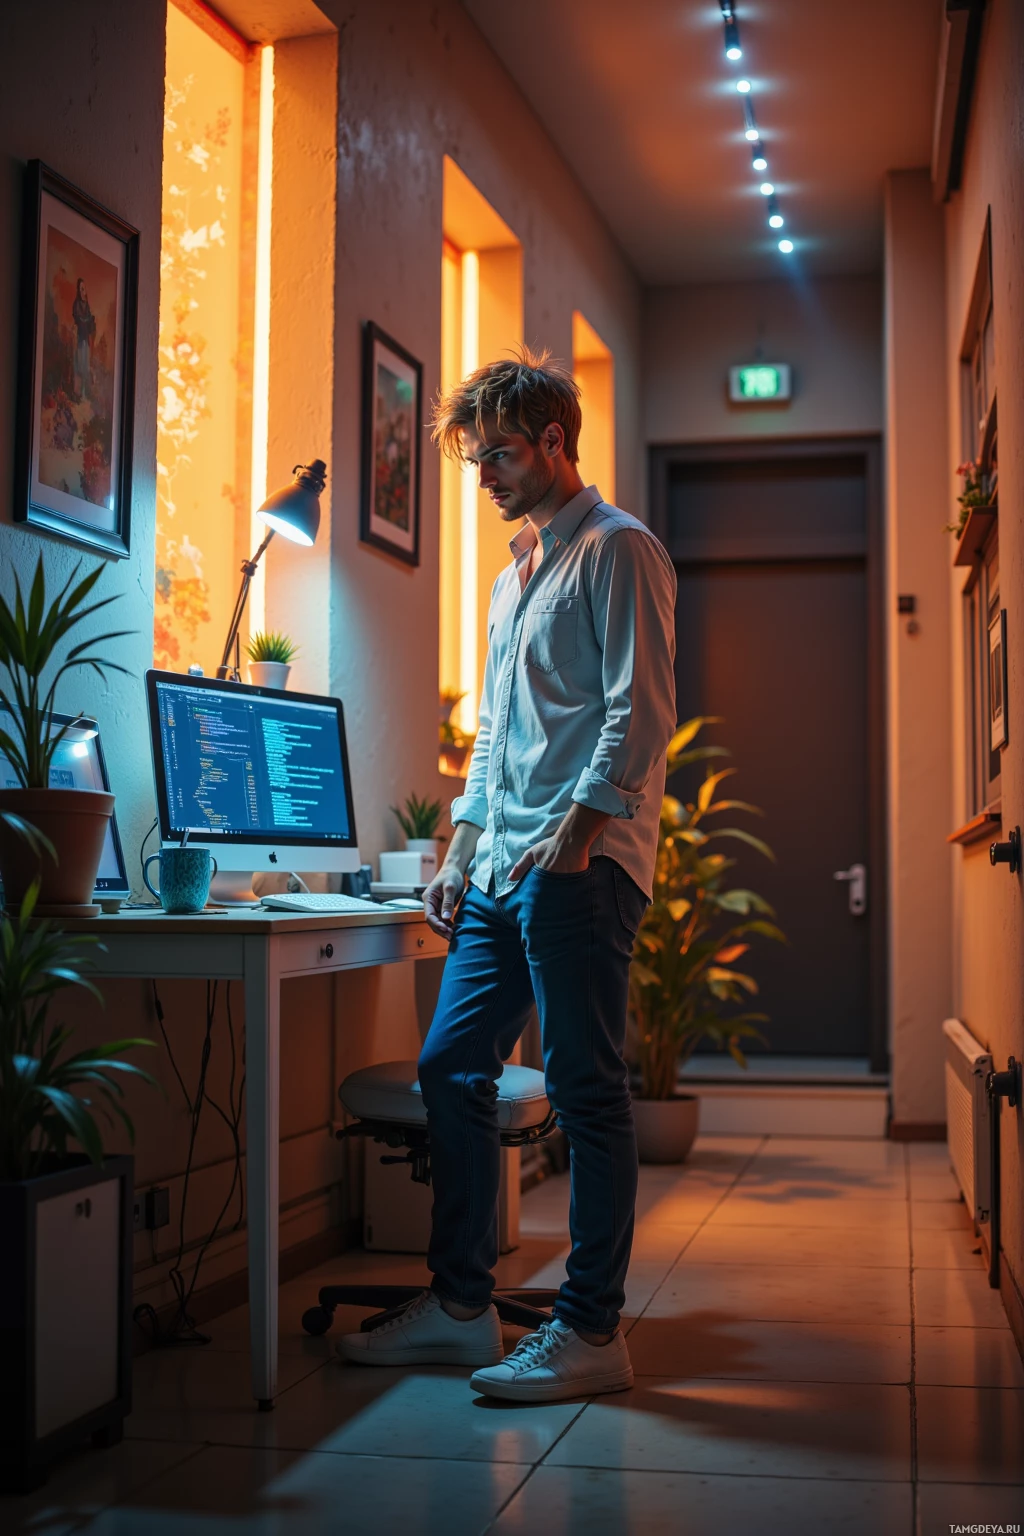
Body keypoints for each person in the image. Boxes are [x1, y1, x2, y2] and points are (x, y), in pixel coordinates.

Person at [337, 347, 677, 1402]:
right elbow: (493, 737)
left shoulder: (618, 552)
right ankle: (458, 1309)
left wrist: (574, 832)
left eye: (497, 458)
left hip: (581, 863)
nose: (484, 478)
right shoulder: (514, 573)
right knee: (451, 1067)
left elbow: (638, 713)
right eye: (475, 459)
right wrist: (458, 849)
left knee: (584, 1091)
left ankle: (589, 1332)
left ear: (554, 444)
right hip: (503, 869)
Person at [72, 278, 95, 401]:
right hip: (79, 339)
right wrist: (85, 321)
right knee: (80, 366)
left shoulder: (87, 306)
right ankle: (78, 393)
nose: (82, 291)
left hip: (86, 339)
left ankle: (84, 393)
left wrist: (89, 321)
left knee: (86, 366)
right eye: (81, 289)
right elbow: (78, 319)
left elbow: (89, 319)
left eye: (84, 289)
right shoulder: (76, 304)